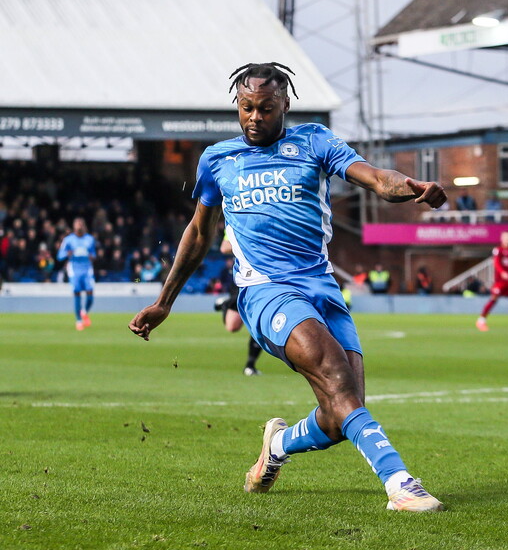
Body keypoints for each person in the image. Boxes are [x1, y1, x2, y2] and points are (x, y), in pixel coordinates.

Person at [128, 62, 446, 512]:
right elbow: (199, 233)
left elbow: (375, 177)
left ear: (285, 105)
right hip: (265, 291)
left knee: (342, 413)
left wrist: (409, 186)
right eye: (246, 108)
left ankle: (277, 446)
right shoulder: (218, 159)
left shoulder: (314, 140)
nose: (254, 117)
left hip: (320, 285)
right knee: (337, 379)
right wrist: (164, 302)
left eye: (265, 108)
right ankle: (400, 483)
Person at [216, 235, 263, 376]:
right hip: (244, 275)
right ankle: (226, 304)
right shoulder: (236, 217)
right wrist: (252, 242)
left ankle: (250, 365)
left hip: (265, 275)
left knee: (259, 323)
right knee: (232, 326)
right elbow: (224, 248)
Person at [57, 217, 96, 331]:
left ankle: (84, 312)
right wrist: (67, 253)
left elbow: (94, 253)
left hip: (87, 269)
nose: (79, 226)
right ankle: (79, 321)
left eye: (81, 224)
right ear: (74, 226)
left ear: (83, 226)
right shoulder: (68, 240)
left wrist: (92, 256)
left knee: (90, 294)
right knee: (77, 293)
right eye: (77, 224)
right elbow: (60, 256)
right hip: (74, 269)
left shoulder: (90, 239)